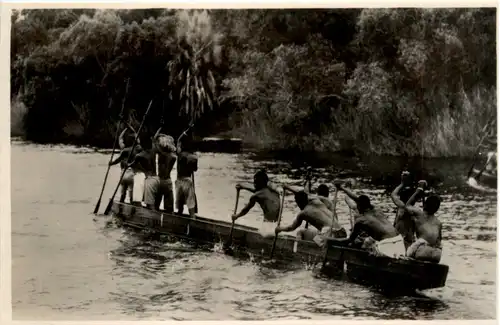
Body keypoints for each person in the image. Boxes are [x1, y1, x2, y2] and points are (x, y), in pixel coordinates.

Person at [334, 180, 406, 258]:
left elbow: (349, 240)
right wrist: (343, 188)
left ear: (359, 207)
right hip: (400, 242)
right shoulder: (377, 210)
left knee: (359, 246)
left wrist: (329, 239)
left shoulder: (360, 220)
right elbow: (358, 199)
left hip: (386, 246)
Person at [391, 178, 443, 263]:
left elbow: (405, 204)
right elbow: (438, 242)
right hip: (437, 254)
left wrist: (419, 190)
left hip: (421, 250)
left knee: (404, 256)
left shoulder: (414, 212)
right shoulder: (438, 222)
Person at [274, 190, 347, 248]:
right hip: (342, 231)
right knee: (302, 232)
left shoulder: (303, 213)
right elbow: (305, 194)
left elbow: (291, 228)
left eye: (297, 203)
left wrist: (279, 229)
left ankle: (308, 255)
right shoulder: (316, 200)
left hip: (330, 233)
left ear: (299, 202)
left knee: (315, 242)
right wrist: (289, 188)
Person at [109, 125, 143, 203]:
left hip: (123, 173)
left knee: (122, 193)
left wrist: (111, 163)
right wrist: (130, 127)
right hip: (132, 174)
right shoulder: (137, 148)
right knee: (131, 195)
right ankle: (131, 206)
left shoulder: (123, 149)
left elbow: (120, 138)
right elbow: (136, 136)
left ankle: (121, 205)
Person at [128, 134, 159, 209]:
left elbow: (132, 165)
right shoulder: (154, 151)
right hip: (157, 179)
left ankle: (151, 216)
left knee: (146, 204)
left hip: (149, 179)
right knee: (152, 203)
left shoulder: (139, 155)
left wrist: (127, 164)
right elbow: (154, 140)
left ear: (142, 145)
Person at [392, 171, 419, 250]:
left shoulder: (402, 207)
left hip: (400, 241)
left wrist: (402, 183)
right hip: (408, 242)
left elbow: (393, 194)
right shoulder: (415, 210)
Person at [153, 128, 177, 212]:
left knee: (155, 205)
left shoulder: (160, 153)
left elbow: (154, 140)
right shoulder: (173, 157)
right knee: (169, 208)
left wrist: (159, 129)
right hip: (168, 181)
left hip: (159, 181)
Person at [176, 134, 198, 218]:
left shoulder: (180, 154)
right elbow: (195, 169)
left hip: (179, 181)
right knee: (191, 206)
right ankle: (193, 219)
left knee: (180, 208)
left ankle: (179, 220)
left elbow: (178, 141)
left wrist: (182, 134)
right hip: (188, 181)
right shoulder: (193, 157)